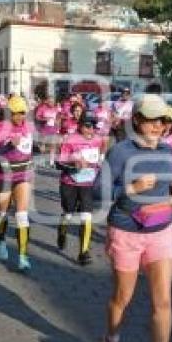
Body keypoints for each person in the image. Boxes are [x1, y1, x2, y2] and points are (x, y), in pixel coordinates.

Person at [98, 94, 172, 342]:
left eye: (163, 121)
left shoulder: (167, 151)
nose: (157, 126)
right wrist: (131, 188)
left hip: (161, 229)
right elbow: (100, 191)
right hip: (127, 230)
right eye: (151, 119)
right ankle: (112, 341)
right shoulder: (120, 152)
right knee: (123, 297)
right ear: (136, 120)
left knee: (162, 301)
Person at [0, 96, 36, 272]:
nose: (21, 116)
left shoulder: (28, 127)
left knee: (22, 215)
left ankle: (23, 257)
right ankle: (1, 241)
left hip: (23, 174)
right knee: (2, 212)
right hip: (3, 176)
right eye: (17, 113)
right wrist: (7, 145)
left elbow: (29, 147)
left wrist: (38, 149)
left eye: (23, 112)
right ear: (9, 113)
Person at [56, 111, 103, 265]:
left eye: (93, 126)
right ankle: (62, 232)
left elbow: (98, 159)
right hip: (69, 183)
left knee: (86, 216)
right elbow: (59, 163)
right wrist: (73, 164)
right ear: (80, 125)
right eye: (87, 125)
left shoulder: (98, 140)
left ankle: (84, 252)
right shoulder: (70, 140)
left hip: (87, 185)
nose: (91, 129)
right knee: (68, 215)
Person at [35, 96, 61, 167]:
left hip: (53, 129)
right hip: (44, 129)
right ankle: (43, 161)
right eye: (50, 101)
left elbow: (59, 118)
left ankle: (51, 162)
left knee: (53, 146)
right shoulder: (42, 108)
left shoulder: (56, 108)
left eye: (53, 102)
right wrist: (44, 119)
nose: (51, 103)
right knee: (43, 146)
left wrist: (57, 122)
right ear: (47, 101)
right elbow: (37, 117)